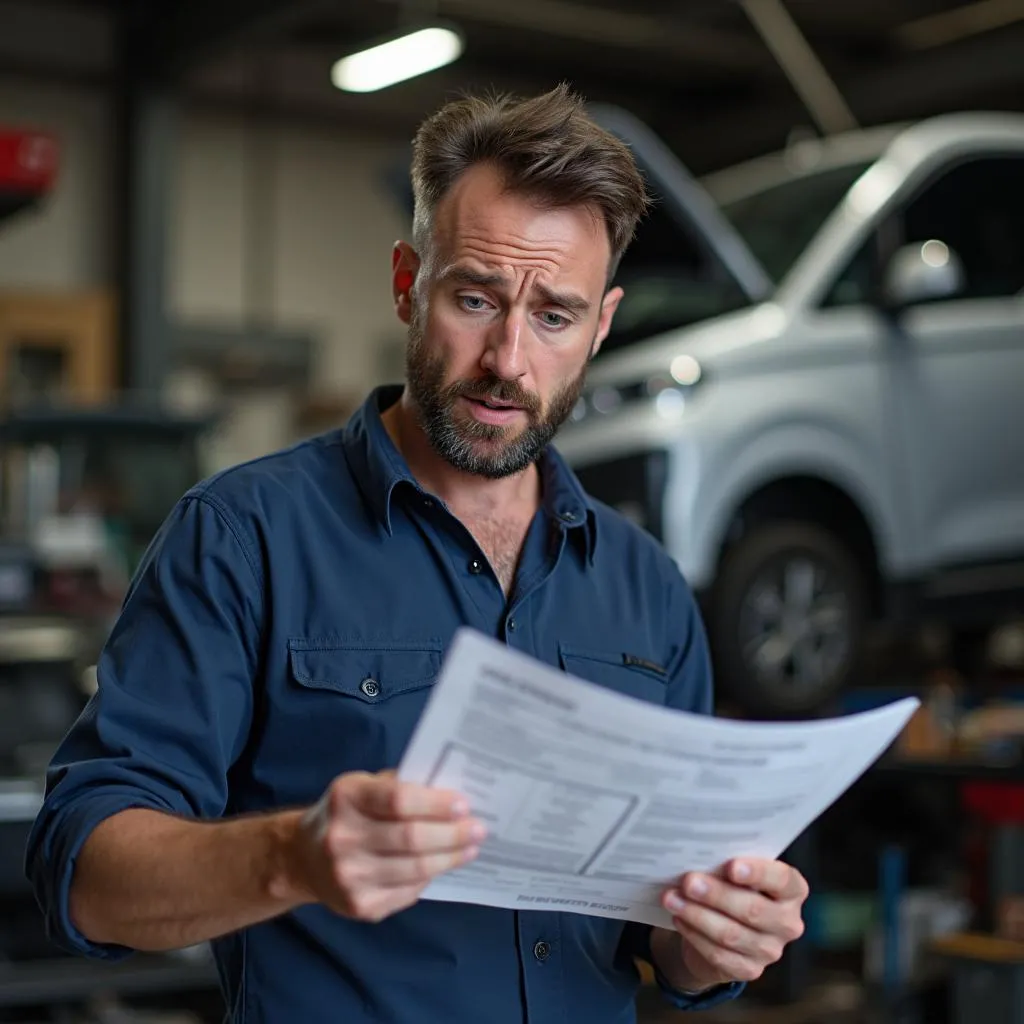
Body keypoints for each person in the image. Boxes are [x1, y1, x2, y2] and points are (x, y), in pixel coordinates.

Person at [26, 85, 808, 1023]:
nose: (509, 360)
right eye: (475, 299)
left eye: (555, 317)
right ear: (408, 281)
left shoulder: (648, 590)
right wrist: (293, 857)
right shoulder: (244, 537)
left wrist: (713, 939)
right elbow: (86, 875)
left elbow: (656, 931)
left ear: (602, 326)